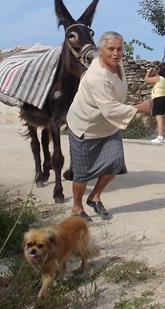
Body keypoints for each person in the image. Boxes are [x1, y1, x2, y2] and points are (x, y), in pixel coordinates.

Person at [65, 31, 152, 221]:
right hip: (86, 126)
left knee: (115, 163)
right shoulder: (97, 77)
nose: (116, 53)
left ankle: (94, 197)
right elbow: (110, 109)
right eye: (110, 49)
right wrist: (139, 108)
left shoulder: (116, 63)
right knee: (82, 173)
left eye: (119, 49)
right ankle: (76, 208)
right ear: (100, 51)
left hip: (107, 126)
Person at [144, 62, 165, 144]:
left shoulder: (158, 78)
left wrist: (148, 72)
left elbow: (146, 79)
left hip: (158, 99)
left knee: (159, 119)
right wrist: (156, 73)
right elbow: (159, 77)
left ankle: (160, 137)